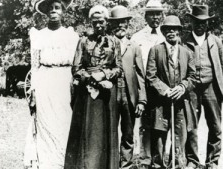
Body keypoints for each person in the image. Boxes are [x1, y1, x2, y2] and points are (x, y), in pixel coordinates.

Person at [64, 5, 122, 169]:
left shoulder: (114, 42)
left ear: (107, 22)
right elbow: (75, 68)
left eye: (101, 22)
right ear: (91, 22)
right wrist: (90, 78)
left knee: (105, 133)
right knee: (87, 132)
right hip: (87, 93)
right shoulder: (83, 41)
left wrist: (104, 74)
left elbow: (119, 68)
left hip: (107, 93)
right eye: (95, 22)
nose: (98, 25)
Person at [23, 0, 79, 168]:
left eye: (57, 8)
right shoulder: (38, 35)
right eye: (50, 9)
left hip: (64, 82)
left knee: (64, 122)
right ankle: (47, 163)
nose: (54, 11)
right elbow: (35, 65)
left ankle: (63, 162)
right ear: (46, 12)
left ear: (63, 11)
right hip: (45, 82)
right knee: (45, 122)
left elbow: (76, 64)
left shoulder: (71, 35)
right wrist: (33, 89)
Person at [146, 15, 196, 169]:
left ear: (179, 31)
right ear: (163, 32)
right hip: (161, 103)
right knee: (159, 138)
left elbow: (193, 76)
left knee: (179, 137)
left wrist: (182, 87)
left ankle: (177, 165)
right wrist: (165, 90)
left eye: (174, 29)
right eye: (167, 29)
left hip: (180, 103)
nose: (171, 32)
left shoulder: (186, 52)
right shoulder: (155, 50)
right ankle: (158, 165)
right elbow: (150, 75)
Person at [184, 5, 223, 169]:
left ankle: (212, 161)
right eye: (196, 22)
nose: (200, 25)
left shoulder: (216, 41)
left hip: (211, 88)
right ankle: (192, 160)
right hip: (192, 88)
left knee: (215, 125)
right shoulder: (184, 40)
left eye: (203, 22)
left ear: (208, 23)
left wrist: (214, 81)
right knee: (191, 125)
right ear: (191, 22)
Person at [108, 6, 147, 169]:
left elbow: (140, 75)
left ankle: (126, 164)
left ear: (127, 24)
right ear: (111, 25)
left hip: (129, 95)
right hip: (110, 94)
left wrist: (142, 100)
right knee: (110, 131)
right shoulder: (105, 44)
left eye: (123, 22)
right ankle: (110, 164)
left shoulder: (134, 46)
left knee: (128, 132)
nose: (120, 26)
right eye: (117, 23)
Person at [130, 1, 166, 168]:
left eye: (158, 14)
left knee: (160, 124)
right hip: (143, 87)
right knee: (145, 124)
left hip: (161, 88)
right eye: (152, 14)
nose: (155, 17)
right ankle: (144, 160)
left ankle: (158, 160)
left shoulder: (167, 35)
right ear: (145, 16)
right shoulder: (136, 38)